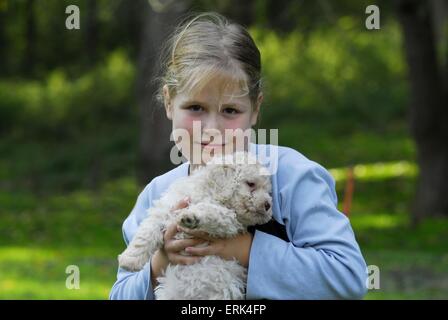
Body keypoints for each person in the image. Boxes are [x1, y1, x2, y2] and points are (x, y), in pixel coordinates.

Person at [109, 12, 367, 300]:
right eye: (195, 107)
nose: (212, 129)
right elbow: (120, 293)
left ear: (255, 109)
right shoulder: (157, 194)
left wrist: (243, 249)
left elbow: (347, 277)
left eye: (230, 111)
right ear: (169, 103)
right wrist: (159, 264)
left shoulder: (289, 177)